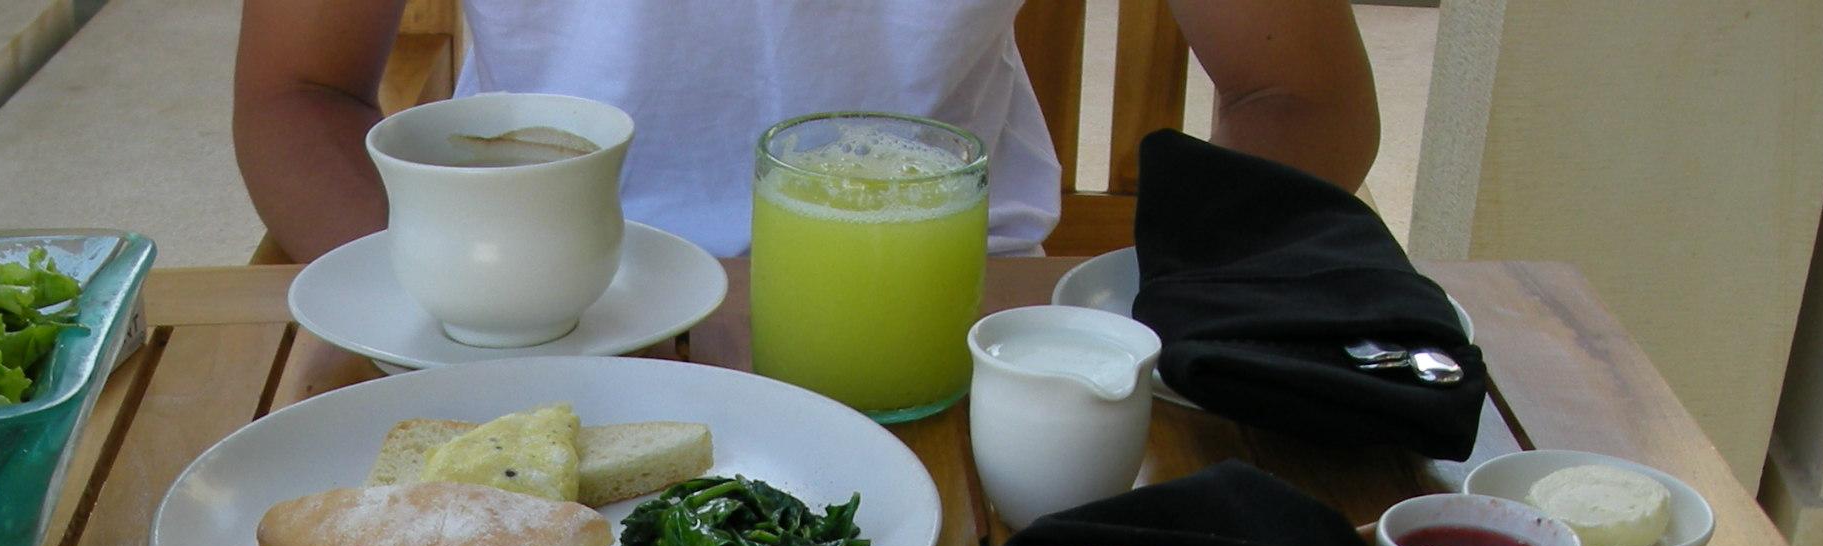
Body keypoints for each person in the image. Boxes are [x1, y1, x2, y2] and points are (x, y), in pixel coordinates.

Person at [234, 0, 1381, 265]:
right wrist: (421, 286)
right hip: (542, 309)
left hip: (952, 319)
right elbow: (300, 91)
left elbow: (1302, 96)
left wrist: (1147, 306)